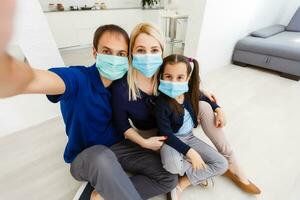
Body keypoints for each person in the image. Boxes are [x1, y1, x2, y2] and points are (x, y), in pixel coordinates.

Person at [0, 23, 144, 200]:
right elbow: (42, 79)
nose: (114, 59)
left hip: (117, 148)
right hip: (87, 157)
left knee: (165, 176)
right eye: (107, 51)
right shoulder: (79, 78)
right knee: (101, 156)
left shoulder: (122, 85)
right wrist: (11, 75)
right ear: (94, 52)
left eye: (121, 54)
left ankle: (101, 193)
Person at [155, 54, 228, 199]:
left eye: (180, 77)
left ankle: (183, 182)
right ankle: (196, 170)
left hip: (189, 137)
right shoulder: (161, 103)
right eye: (168, 76)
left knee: (222, 164)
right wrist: (191, 153)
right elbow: (166, 134)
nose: (174, 82)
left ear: (187, 78)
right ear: (161, 77)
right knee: (173, 166)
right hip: (171, 140)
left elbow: (205, 97)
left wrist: (218, 109)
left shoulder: (189, 93)